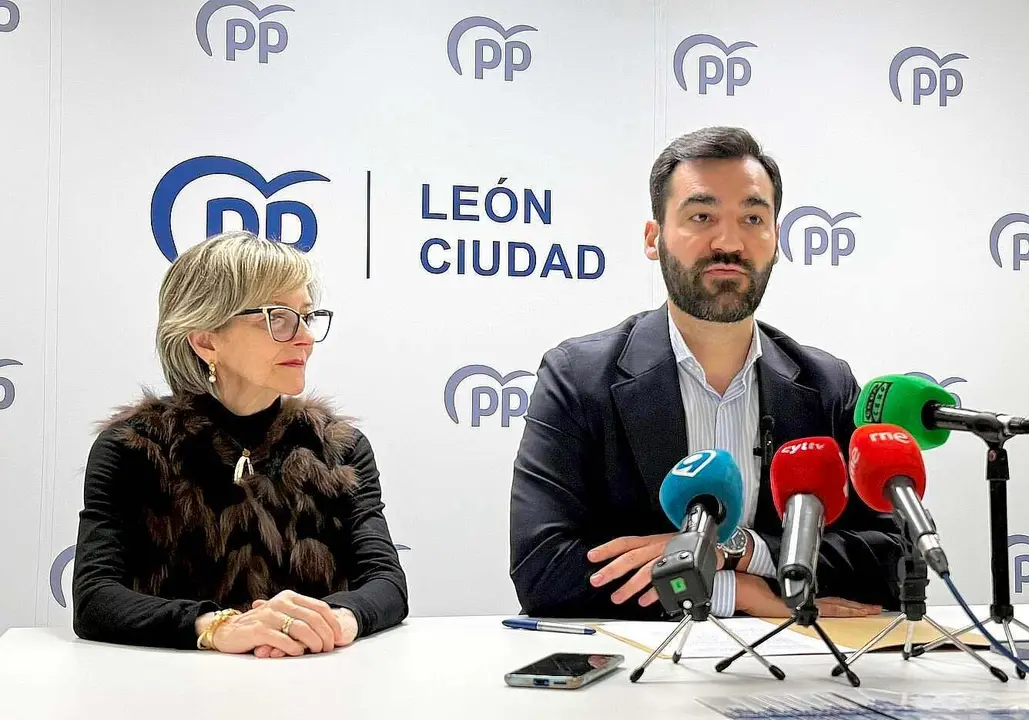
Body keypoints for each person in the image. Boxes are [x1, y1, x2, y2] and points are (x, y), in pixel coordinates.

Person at [509, 126, 903, 621]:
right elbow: (544, 571)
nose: (729, 242)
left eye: (753, 218)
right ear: (655, 239)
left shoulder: (826, 385)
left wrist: (739, 551)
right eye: (702, 216)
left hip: (797, 672)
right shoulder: (578, 378)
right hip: (639, 681)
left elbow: (892, 560)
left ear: (776, 239)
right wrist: (733, 593)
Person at [73, 231, 408, 657]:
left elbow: (387, 584)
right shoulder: (134, 448)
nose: (304, 337)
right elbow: (95, 598)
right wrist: (218, 626)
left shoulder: (339, 448)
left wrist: (332, 620)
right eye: (278, 318)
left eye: (306, 316)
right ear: (205, 338)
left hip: (317, 688)